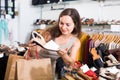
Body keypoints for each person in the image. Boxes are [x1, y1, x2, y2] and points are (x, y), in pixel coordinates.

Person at [28, 8, 82, 79]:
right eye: (61, 23)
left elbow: (71, 63)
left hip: (51, 73)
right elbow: (34, 55)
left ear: (75, 24)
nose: (63, 27)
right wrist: (32, 49)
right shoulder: (50, 33)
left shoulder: (75, 42)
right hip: (35, 69)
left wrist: (64, 55)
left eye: (67, 25)